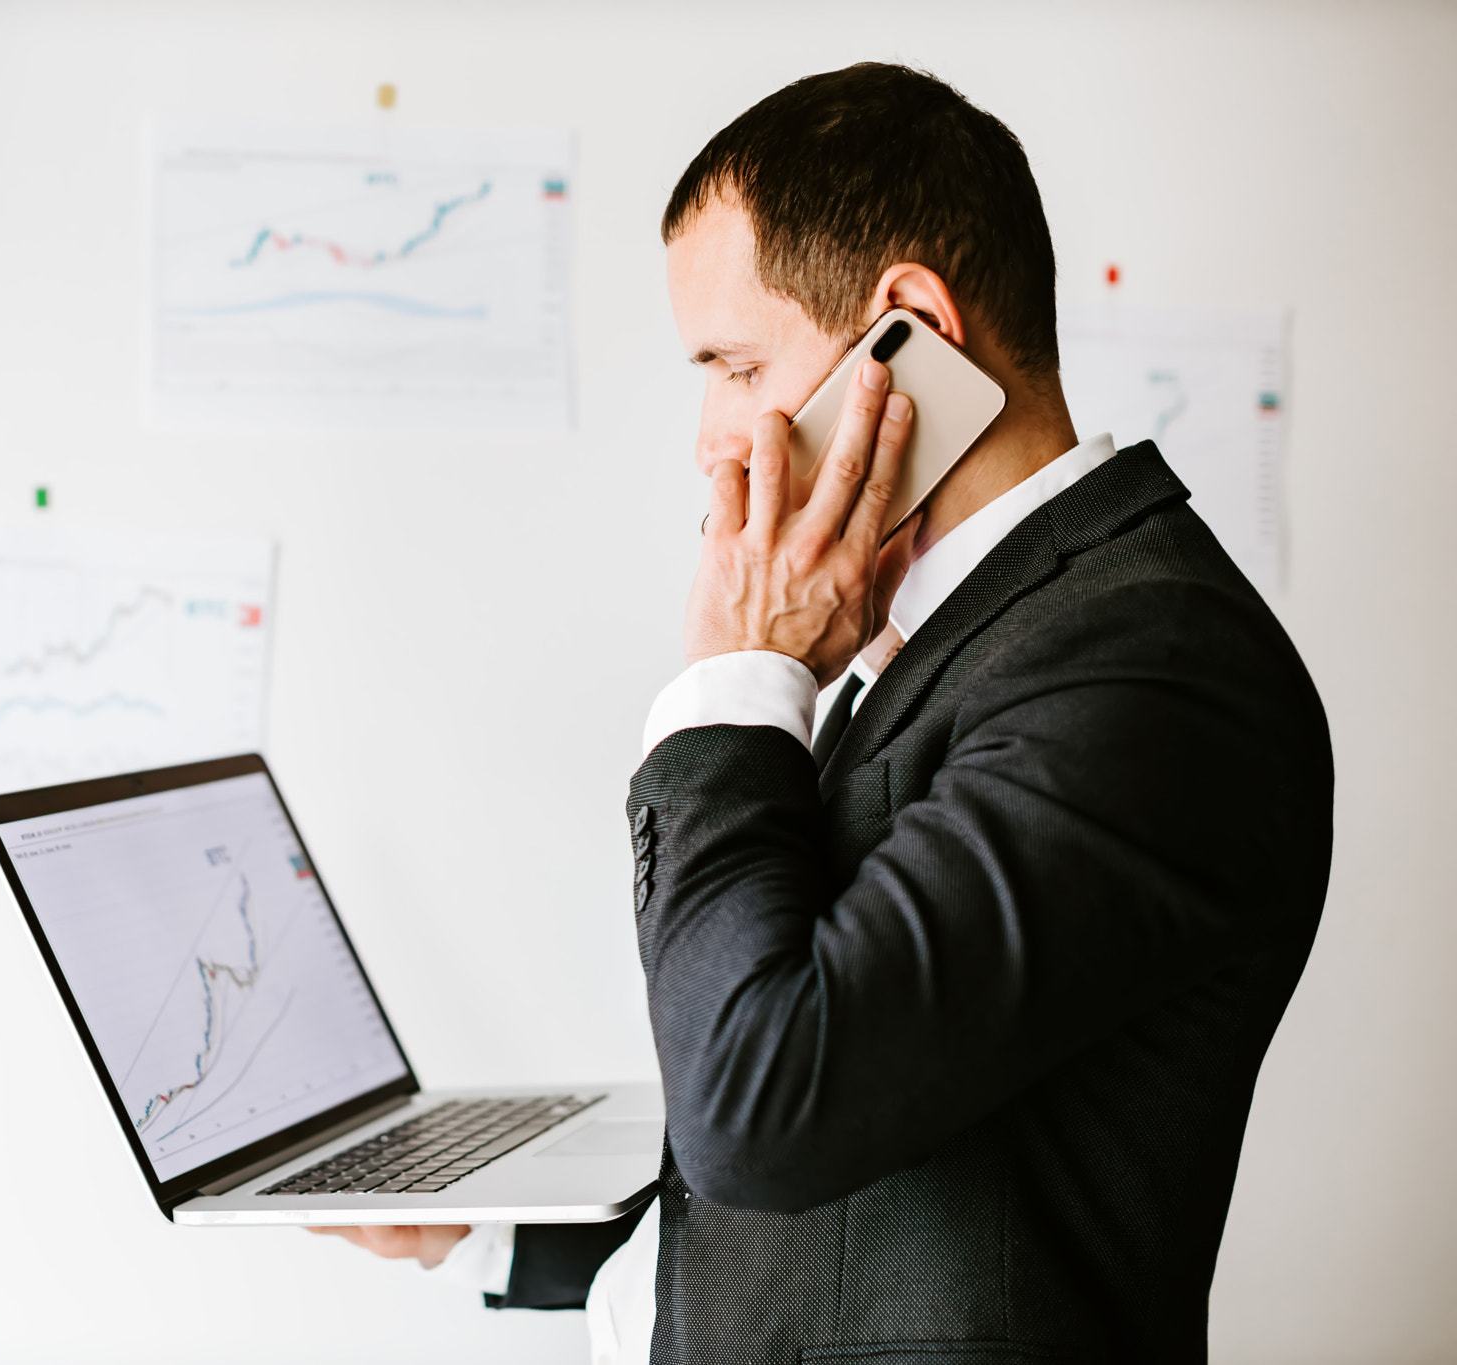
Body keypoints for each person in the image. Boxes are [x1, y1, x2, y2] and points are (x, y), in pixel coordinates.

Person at [316, 63, 1332, 1364]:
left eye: (736, 363)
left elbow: (764, 1108)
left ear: (907, 327)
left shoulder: (1149, 670)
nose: (708, 434)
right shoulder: (987, 630)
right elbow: (886, 1129)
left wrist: (737, 682)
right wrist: (493, 1233)